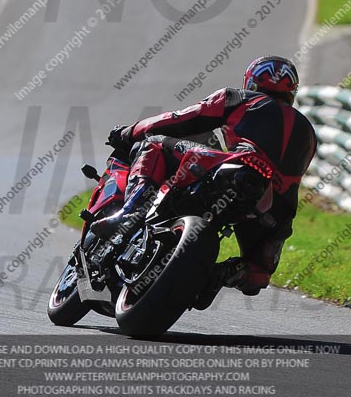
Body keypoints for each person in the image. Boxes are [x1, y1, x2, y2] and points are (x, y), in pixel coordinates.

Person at [91, 55, 316, 303]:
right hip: (275, 207)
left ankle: (130, 213)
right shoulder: (309, 132)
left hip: (236, 169)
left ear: (251, 81)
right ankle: (221, 274)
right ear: (292, 91)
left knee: (153, 145)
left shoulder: (239, 98)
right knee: (257, 275)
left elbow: (181, 118)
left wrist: (130, 131)